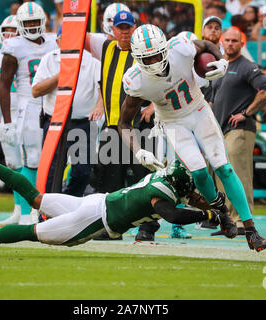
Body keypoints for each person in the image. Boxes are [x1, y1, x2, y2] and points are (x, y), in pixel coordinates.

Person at [119, 24, 266, 252]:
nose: (152, 62)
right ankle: (221, 214)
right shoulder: (136, 80)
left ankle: (251, 230)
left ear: (165, 49)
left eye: (156, 55)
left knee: (224, 168)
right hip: (172, 121)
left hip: (199, 110)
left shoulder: (180, 49)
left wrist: (221, 60)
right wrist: (139, 150)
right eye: (146, 59)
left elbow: (207, 44)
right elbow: (123, 123)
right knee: (198, 172)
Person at [0, 144, 235, 256]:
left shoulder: (162, 178)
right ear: (178, 186)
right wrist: (208, 216)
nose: (190, 197)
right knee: (35, 232)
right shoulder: (161, 194)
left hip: (97, 202)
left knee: (37, 199)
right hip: (95, 217)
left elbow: (184, 200)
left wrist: (214, 209)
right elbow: (172, 215)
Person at [85, 10, 160, 242]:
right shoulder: (106, 48)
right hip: (112, 125)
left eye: (129, 27)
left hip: (139, 126)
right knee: (109, 180)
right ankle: (112, 227)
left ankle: (148, 226)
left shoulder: (144, 52)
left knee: (143, 177)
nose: (125, 32)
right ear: (113, 29)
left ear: (135, 28)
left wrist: (154, 107)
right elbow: (76, 35)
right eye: (121, 28)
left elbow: (162, 77)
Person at [208, 28, 266, 236]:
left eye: (234, 41)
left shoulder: (247, 66)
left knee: (238, 175)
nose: (230, 44)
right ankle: (229, 222)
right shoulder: (220, 67)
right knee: (223, 175)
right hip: (220, 129)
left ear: (241, 43)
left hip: (240, 129)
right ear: (221, 42)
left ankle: (244, 222)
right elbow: (212, 99)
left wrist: (246, 112)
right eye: (226, 40)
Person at [0, 2, 57, 225]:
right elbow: (4, 85)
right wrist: (8, 121)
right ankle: (25, 212)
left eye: (35, 22)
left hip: (53, 101)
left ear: (43, 22)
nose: (32, 26)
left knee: (53, 158)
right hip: (29, 104)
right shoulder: (14, 47)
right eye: (28, 23)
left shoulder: (53, 40)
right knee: (31, 159)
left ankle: (45, 208)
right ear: (20, 25)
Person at [32, 26, 101, 196]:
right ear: (57, 41)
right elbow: (36, 91)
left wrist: (100, 105)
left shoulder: (92, 60)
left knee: (83, 171)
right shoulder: (49, 59)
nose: (70, 41)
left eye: (74, 36)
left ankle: (68, 202)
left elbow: (102, 88)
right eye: (66, 37)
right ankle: (46, 211)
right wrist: (59, 77)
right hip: (55, 121)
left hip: (83, 123)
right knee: (52, 169)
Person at [0, 15, 24, 226]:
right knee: (12, 164)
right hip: (8, 111)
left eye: (13, 30)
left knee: (28, 163)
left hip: (26, 111)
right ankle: (18, 208)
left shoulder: (24, 50)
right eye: (6, 30)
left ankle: (28, 209)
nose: (9, 34)